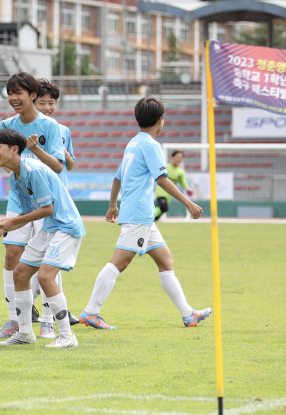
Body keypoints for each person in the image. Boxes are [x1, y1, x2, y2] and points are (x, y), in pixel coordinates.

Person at [78, 97, 211, 330]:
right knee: (119, 263)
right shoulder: (151, 145)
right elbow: (162, 179)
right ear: (161, 120)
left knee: (166, 261)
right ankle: (91, 312)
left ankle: (188, 314)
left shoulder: (133, 143)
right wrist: (188, 203)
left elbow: (118, 177)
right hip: (139, 214)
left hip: (143, 215)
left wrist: (112, 205)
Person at [0, 72, 66, 339]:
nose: (14, 98)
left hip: (44, 198)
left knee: (47, 260)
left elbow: (59, 167)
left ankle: (48, 320)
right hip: (18, 198)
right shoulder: (6, 124)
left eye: (19, 93)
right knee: (11, 256)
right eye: (10, 93)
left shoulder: (50, 126)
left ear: (33, 95)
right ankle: (14, 320)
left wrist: (35, 150)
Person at [0, 128, 85, 348]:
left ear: (14, 149)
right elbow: (27, 212)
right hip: (50, 228)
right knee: (20, 274)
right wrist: (3, 228)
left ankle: (67, 337)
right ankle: (25, 334)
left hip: (66, 227)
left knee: (45, 277)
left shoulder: (33, 169)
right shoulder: (15, 176)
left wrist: (11, 223)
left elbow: (47, 208)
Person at [33, 78, 80, 336]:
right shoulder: (29, 127)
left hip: (58, 199)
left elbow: (69, 165)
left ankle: (50, 317)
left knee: (51, 261)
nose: (48, 107)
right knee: (31, 260)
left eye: (52, 103)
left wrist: (64, 152)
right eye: (43, 103)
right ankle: (30, 311)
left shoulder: (63, 130)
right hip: (35, 200)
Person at [154, 150, 193, 221]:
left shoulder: (180, 172)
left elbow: (184, 184)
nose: (179, 159)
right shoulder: (165, 167)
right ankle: (147, 218)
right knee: (164, 207)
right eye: (177, 157)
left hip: (169, 194)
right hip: (161, 192)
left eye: (181, 158)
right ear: (172, 157)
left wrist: (188, 190)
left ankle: (151, 223)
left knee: (161, 211)